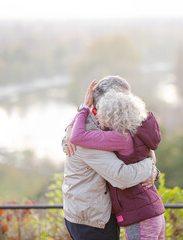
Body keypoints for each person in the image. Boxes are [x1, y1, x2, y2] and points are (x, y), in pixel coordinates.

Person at [62, 76, 159, 240]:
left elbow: (142, 151)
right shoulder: (89, 131)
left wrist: (153, 168)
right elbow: (122, 178)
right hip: (91, 220)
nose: (126, 104)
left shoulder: (114, 128)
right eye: (122, 98)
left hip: (104, 213)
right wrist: (150, 167)